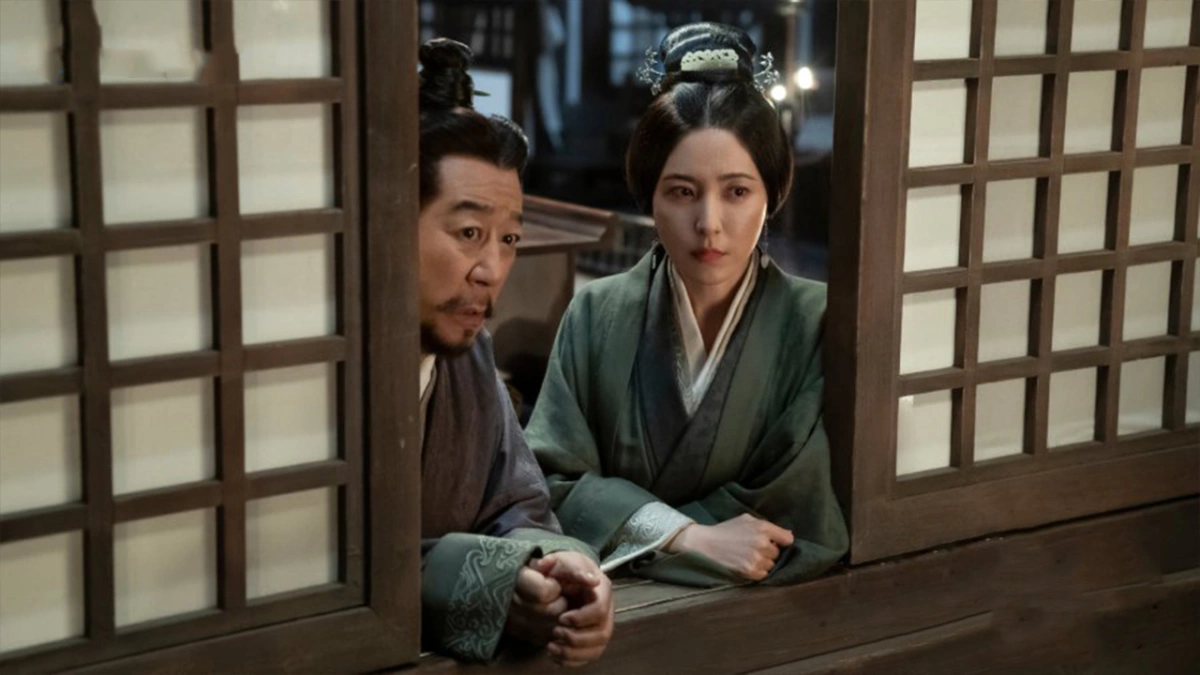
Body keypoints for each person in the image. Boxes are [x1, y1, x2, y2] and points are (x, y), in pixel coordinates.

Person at [525, 23, 848, 588]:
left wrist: (637, 527)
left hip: (772, 615)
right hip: (612, 608)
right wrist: (688, 537)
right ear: (648, 195)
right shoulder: (596, 314)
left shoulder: (819, 320)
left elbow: (800, 507)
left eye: (737, 191)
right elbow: (548, 481)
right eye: (682, 192)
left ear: (772, 195)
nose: (709, 223)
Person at [415, 38, 613, 665]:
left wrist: (560, 569)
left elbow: (519, 505)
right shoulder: (314, 374)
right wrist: (487, 580)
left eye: (509, 239)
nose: (492, 271)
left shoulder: (470, 358)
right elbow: (321, 564)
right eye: (469, 232)